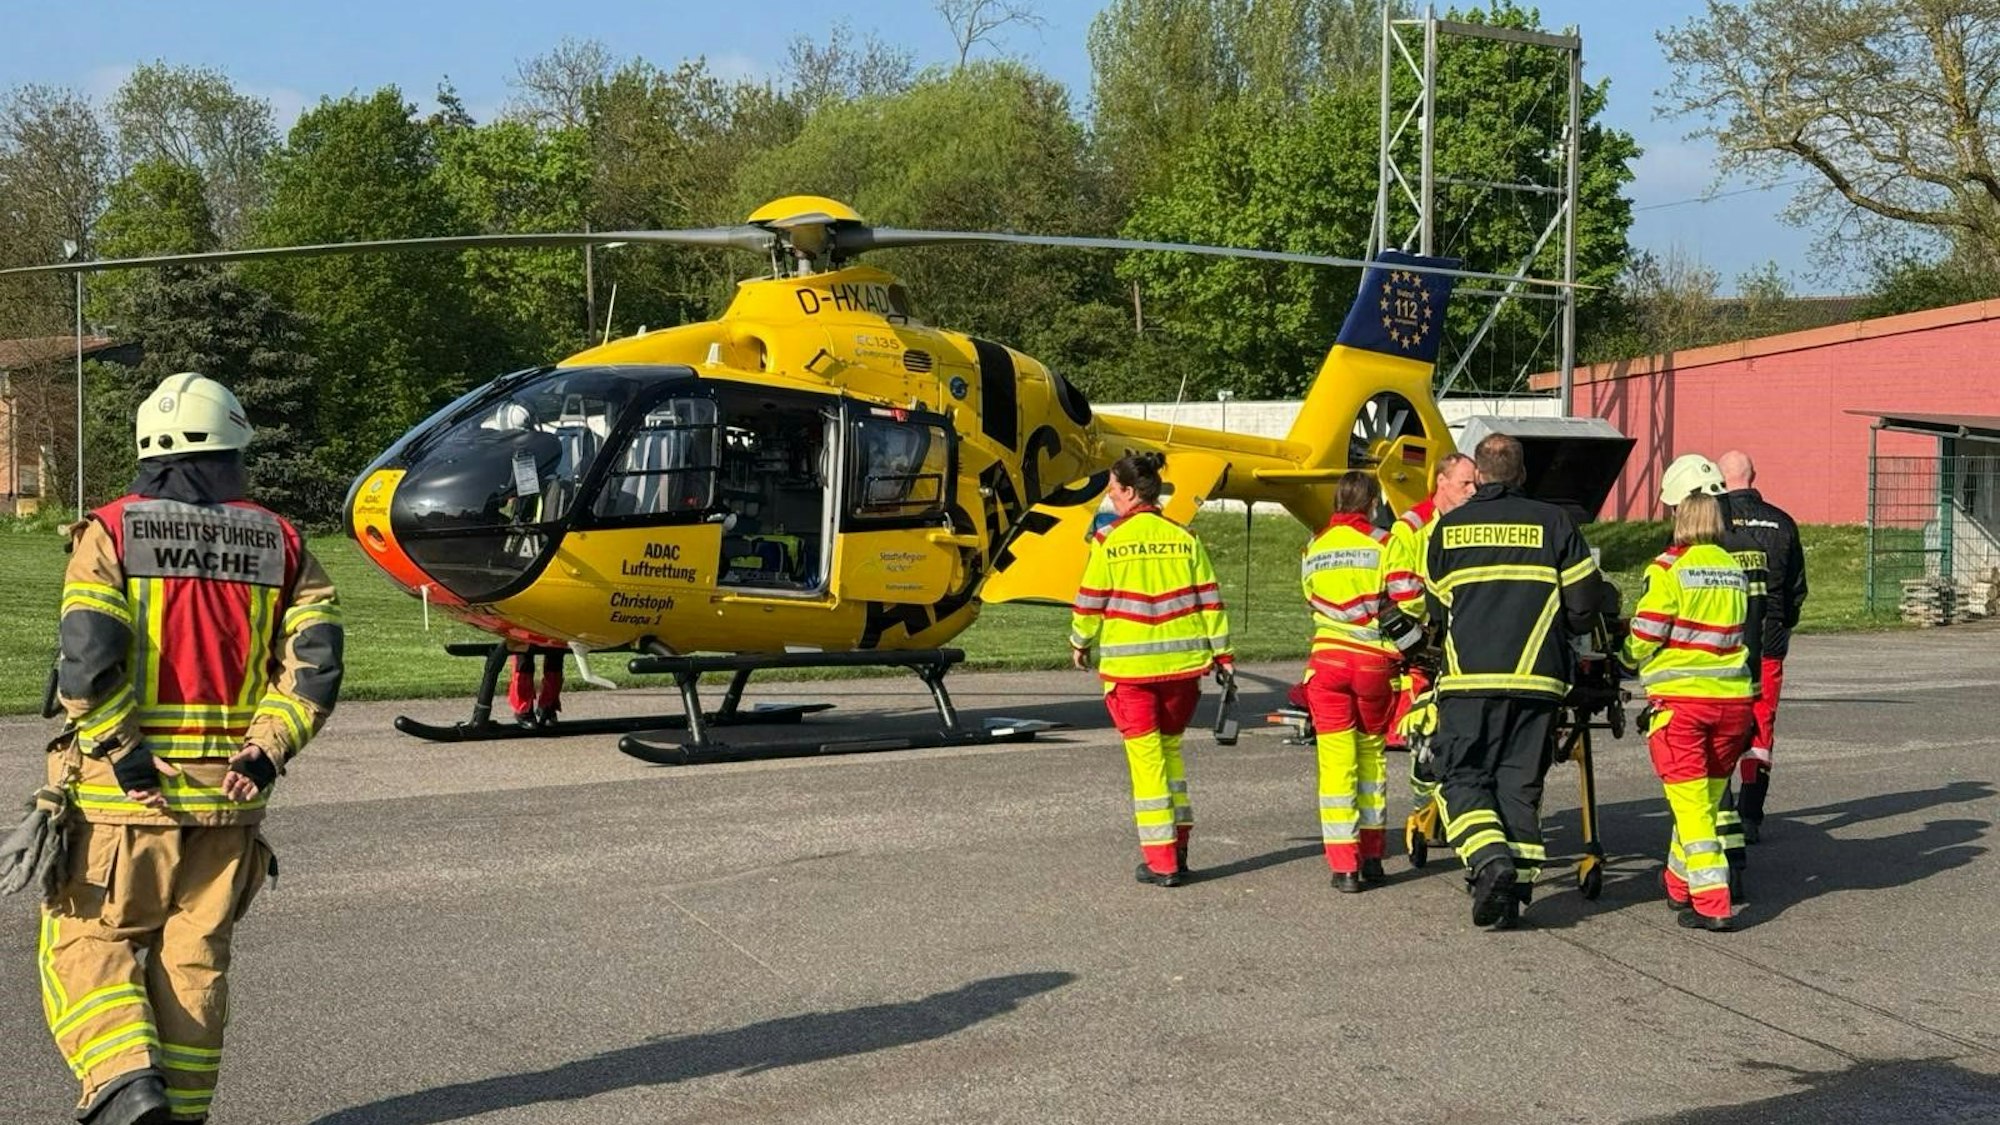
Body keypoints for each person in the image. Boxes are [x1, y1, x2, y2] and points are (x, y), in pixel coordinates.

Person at [38, 373, 343, 1125]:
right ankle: (184, 1114)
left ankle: (123, 1085)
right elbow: (313, 670)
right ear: (234, 445)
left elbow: (86, 659)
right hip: (228, 809)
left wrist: (125, 751)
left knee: (81, 946)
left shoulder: (110, 531)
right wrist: (264, 753)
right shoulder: (285, 542)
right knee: (194, 968)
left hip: (123, 803)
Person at [1425, 433, 1606, 929]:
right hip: (1538, 679)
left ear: (1479, 476)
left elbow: (1437, 610)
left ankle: (1490, 861)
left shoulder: (1449, 528)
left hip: (1469, 681)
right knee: (1519, 783)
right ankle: (1511, 894)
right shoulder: (1555, 523)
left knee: (1461, 776)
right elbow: (1586, 605)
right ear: (1523, 475)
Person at [1070, 451, 1234, 888]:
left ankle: (1162, 862)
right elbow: (1210, 601)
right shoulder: (1185, 537)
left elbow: (1090, 601)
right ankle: (1180, 847)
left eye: (1112, 492)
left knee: (1148, 767)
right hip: (1182, 672)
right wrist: (1223, 656)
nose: (1111, 500)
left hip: (1133, 674)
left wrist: (1079, 642)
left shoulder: (1108, 540)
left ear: (1128, 491)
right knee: (1172, 755)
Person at [1620, 491, 1756, 932]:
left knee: (1693, 808)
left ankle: (1712, 902)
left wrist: (1624, 655)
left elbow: (1647, 631)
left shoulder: (1667, 568)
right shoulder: (1733, 569)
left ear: (1680, 519)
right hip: (1732, 703)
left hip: (1682, 705)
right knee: (1703, 802)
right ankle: (1679, 885)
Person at [1300, 471, 1425, 891]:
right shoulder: (1385, 543)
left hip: (1328, 663)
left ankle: (1345, 867)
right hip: (1374, 664)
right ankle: (1373, 858)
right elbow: (1410, 599)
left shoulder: (1314, 546)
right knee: (1372, 760)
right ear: (1372, 504)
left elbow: (1310, 597)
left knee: (1336, 766)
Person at [1383, 452, 1479, 841]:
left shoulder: (1471, 523)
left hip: (1466, 641)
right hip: (1429, 646)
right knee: (1428, 735)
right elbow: (1401, 590)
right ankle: (1427, 811)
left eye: (1476, 484)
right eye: (1465, 483)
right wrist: (1443, 601)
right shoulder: (1412, 527)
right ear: (1441, 481)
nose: (1473, 491)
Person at [1716, 450, 1807, 841]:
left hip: (1722, 639)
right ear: (1754, 475)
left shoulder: (1710, 519)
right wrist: (1782, 626)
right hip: (1768, 640)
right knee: (1761, 724)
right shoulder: (1782, 522)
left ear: (1720, 479)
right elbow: (1796, 590)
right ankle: (1751, 813)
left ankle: (1719, 808)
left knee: (1716, 722)